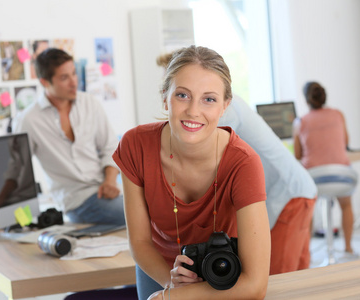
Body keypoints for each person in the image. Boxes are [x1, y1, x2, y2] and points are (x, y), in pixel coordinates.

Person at [113, 46, 270, 300]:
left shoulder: (244, 163)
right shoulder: (135, 145)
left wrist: (172, 297)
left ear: (225, 106)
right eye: (183, 95)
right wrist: (170, 285)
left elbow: (256, 285)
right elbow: (140, 242)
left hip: (220, 275)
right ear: (165, 97)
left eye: (209, 99)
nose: (193, 111)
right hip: (158, 266)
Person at [156, 52, 318, 275]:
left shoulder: (221, 111)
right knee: (296, 278)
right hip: (296, 187)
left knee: (276, 278)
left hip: (287, 193)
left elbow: (208, 165)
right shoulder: (218, 104)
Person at [13, 48, 124, 226]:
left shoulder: (90, 104)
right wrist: (15, 220)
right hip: (76, 200)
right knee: (140, 216)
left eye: (73, 73)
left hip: (105, 191)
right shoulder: (29, 120)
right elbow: (18, 172)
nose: (74, 82)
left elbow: (111, 146)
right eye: (64, 78)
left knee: (153, 206)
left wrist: (110, 180)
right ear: (44, 82)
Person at [293, 81, 356, 256]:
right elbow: (346, 142)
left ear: (307, 100)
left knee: (307, 208)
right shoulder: (338, 115)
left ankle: (307, 253)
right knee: (346, 204)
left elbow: (298, 154)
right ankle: (348, 248)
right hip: (342, 176)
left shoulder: (301, 122)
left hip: (315, 180)